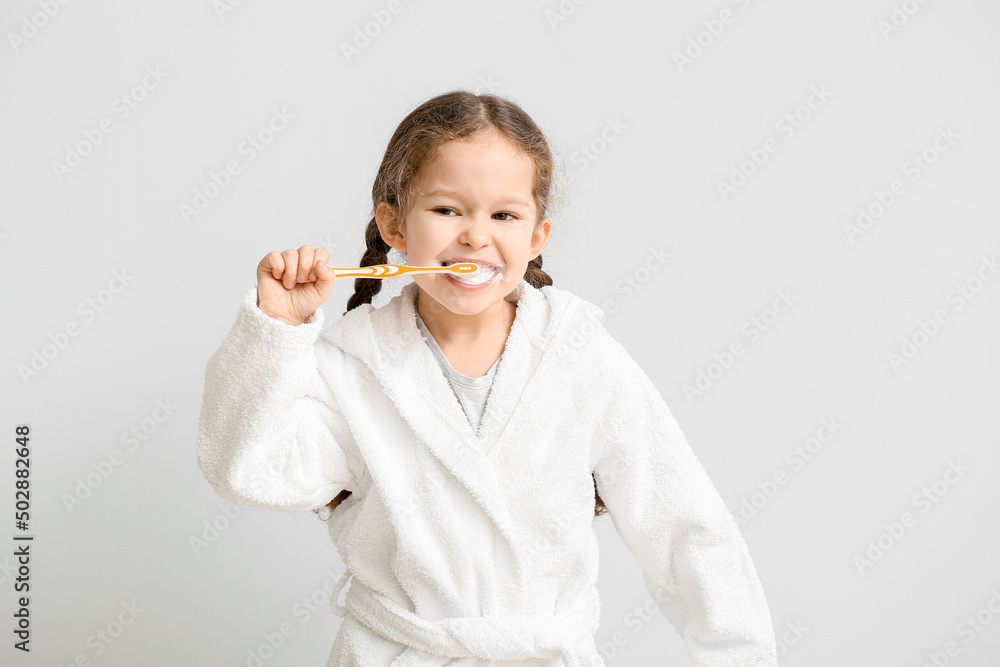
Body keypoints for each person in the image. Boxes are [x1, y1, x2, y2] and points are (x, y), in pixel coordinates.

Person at [196, 90, 778, 666]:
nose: (476, 235)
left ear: (536, 237)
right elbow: (249, 472)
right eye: (447, 210)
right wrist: (275, 332)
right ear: (394, 225)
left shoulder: (579, 356)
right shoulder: (353, 366)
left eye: (504, 215)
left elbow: (687, 531)